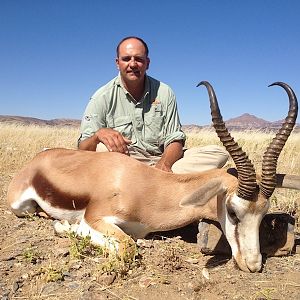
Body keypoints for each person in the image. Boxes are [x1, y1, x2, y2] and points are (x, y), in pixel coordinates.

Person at [78, 36, 228, 173]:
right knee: (101, 149)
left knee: (218, 153)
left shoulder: (165, 92)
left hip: (162, 161)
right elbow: (82, 150)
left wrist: (165, 164)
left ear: (147, 63)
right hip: (125, 163)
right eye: (126, 59)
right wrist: (97, 135)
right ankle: (166, 182)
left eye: (139, 59)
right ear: (117, 63)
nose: (132, 64)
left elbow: (174, 139)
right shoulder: (101, 97)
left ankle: (152, 180)